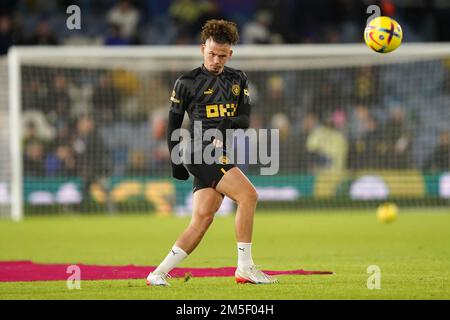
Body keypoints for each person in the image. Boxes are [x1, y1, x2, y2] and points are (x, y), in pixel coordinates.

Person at [146, 19, 278, 286]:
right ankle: (245, 267)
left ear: (230, 54)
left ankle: (157, 273)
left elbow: (245, 119)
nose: (216, 60)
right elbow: (173, 125)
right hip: (198, 152)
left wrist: (228, 123)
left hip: (220, 153)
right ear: (202, 48)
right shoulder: (186, 82)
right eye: (211, 53)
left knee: (202, 219)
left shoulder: (238, 79)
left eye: (221, 55)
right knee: (249, 196)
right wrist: (175, 161)